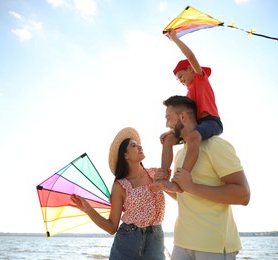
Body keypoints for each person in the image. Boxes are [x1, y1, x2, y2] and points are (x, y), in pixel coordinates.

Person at [159, 95, 251, 260]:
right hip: (181, 243)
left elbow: (243, 195)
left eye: (169, 118)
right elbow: (184, 195)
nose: (166, 124)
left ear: (183, 117)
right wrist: (162, 185)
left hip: (213, 245)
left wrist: (192, 186)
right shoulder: (180, 153)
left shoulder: (216, 145)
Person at [71, 127, 167, 260]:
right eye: (134, 145)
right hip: (127, 240)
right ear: (125, 155)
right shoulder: (119, 186)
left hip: (155, 240)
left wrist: (164, 183)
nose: (140, 147)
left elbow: (179, 195)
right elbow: (111, 227)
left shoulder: (156, 174)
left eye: (139, 144)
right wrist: (88, 209)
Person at [154, 28, 223, 193]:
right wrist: (171, 131)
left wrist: (175, 39)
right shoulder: (188, 94)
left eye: (180, 75)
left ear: (190, 69)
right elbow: (184, 118)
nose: (180, 80)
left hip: (211, 122)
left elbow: (191, 57)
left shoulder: (200, 79)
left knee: (193, 136)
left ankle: (181, 179)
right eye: (177, 79)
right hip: (196, 125)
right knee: (168, 140)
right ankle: (164, 173)